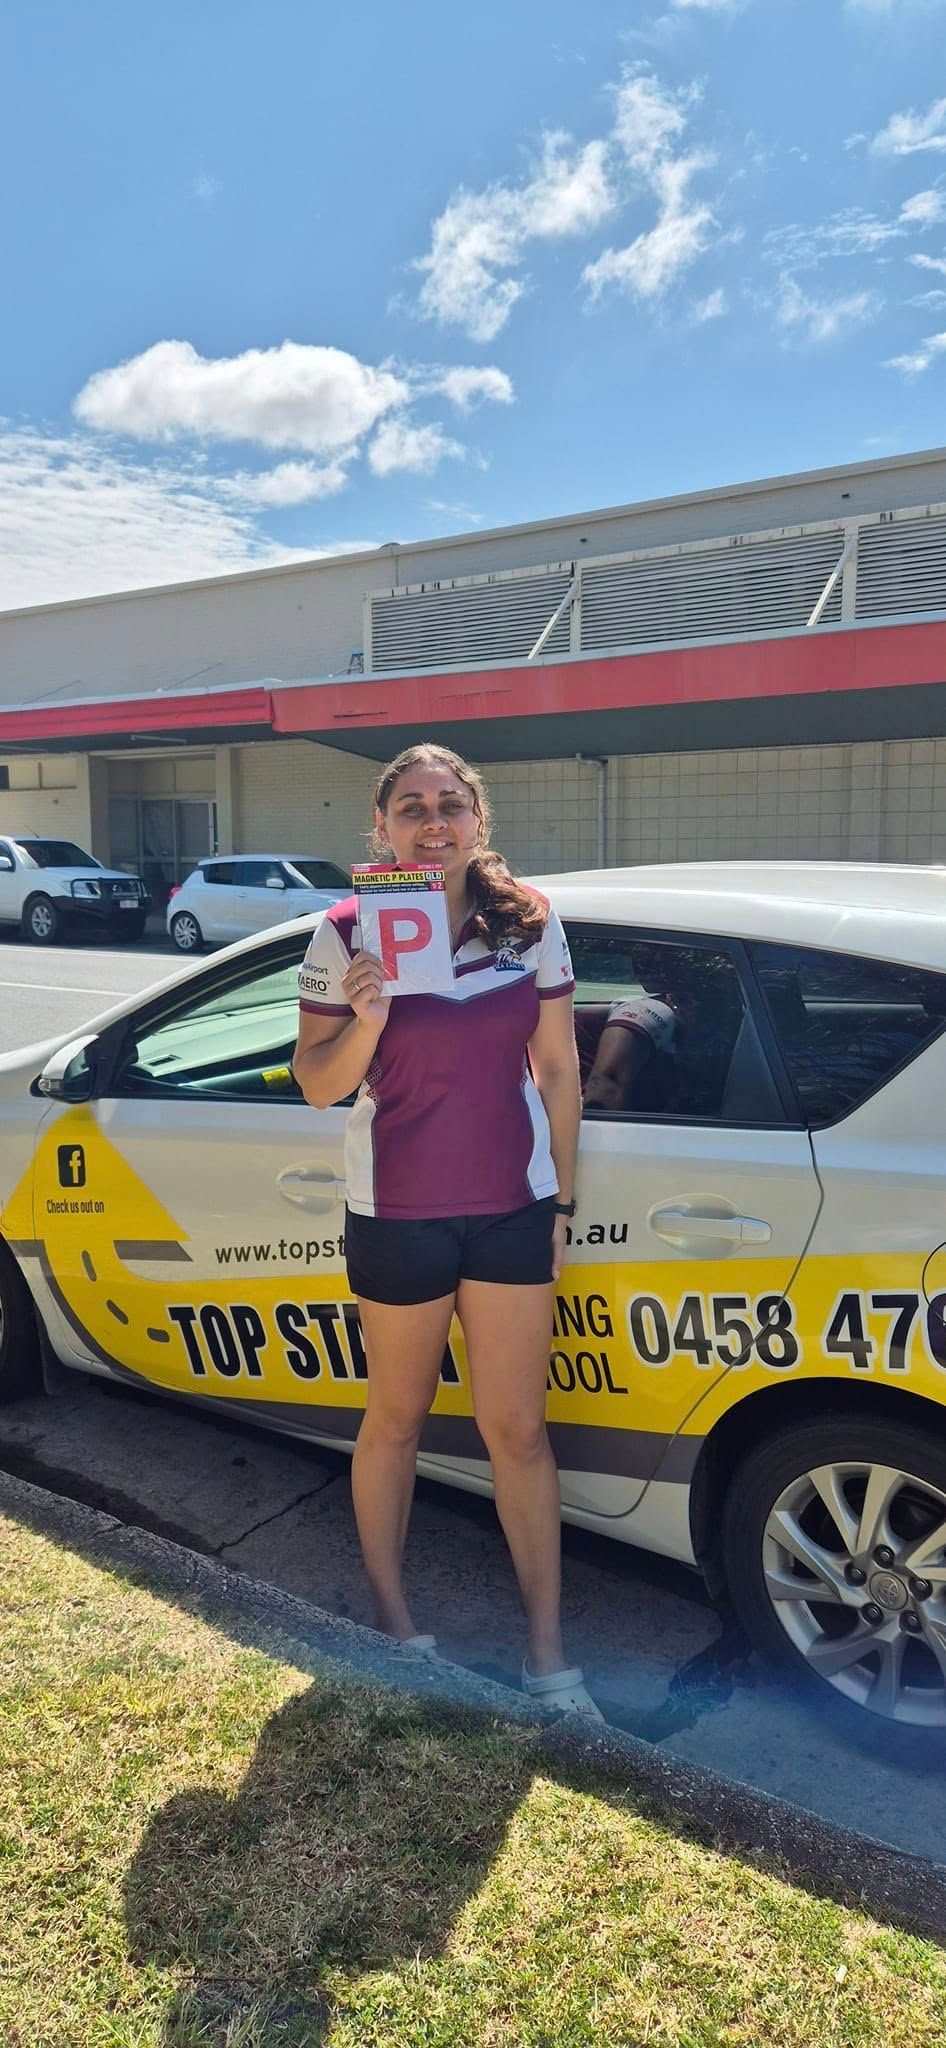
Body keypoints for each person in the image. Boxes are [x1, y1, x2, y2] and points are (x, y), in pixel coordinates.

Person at [293, 742, 601, 1719]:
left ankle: (549, 1661)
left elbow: (558, 1072)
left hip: (512, 1208)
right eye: (412, 805)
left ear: (479, 818)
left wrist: (560, 1203)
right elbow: (317, 1084)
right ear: (380, 826)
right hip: (399, 1216)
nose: (433, 820)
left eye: (450, 803)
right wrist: (372, 1015)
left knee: (517, 1429)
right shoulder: (343, 933)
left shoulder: (532, 924)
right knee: (396, 1420)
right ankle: (394, 1627)